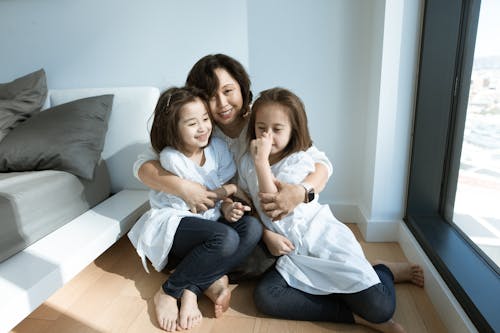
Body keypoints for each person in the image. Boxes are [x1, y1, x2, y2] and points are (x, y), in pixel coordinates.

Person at [239, 87, 425, 333]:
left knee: (381, 308)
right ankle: (357, 318)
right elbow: (251, 203)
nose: (267, 136)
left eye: (277, 129)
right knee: (267, 297)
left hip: (320, 240)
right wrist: (264, 231)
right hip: (294, 254)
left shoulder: (299, 159)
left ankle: (382, 270)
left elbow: (273, 206)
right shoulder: (246, 162)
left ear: (294, 129)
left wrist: (261, 162)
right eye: (261, 128)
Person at [133, 54, 333, 282]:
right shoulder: (200, 130)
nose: (222, 104)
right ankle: (204, 277)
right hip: (215, 215)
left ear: (242, 87)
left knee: (262, 260)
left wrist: (301, 192)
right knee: (239, 248)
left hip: (253, 215)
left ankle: (199, 273)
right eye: (210, 96)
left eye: (228, 91)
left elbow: (321, 164)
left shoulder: (261, 123)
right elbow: (143, 166)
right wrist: (183, 187)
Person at [127, 86, 262, 332]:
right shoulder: (171, 157)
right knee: (225, 237)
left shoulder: (218, 148)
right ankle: (169, 292)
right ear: (173, 128)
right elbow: (207, 194)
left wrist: (228, 205)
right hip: (176, 221)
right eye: (192, 123)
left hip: (211, 219)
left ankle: (192, 288)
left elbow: (222, 190)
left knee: (252, 228)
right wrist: (225, 194)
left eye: (205, 119)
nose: (203, 127)